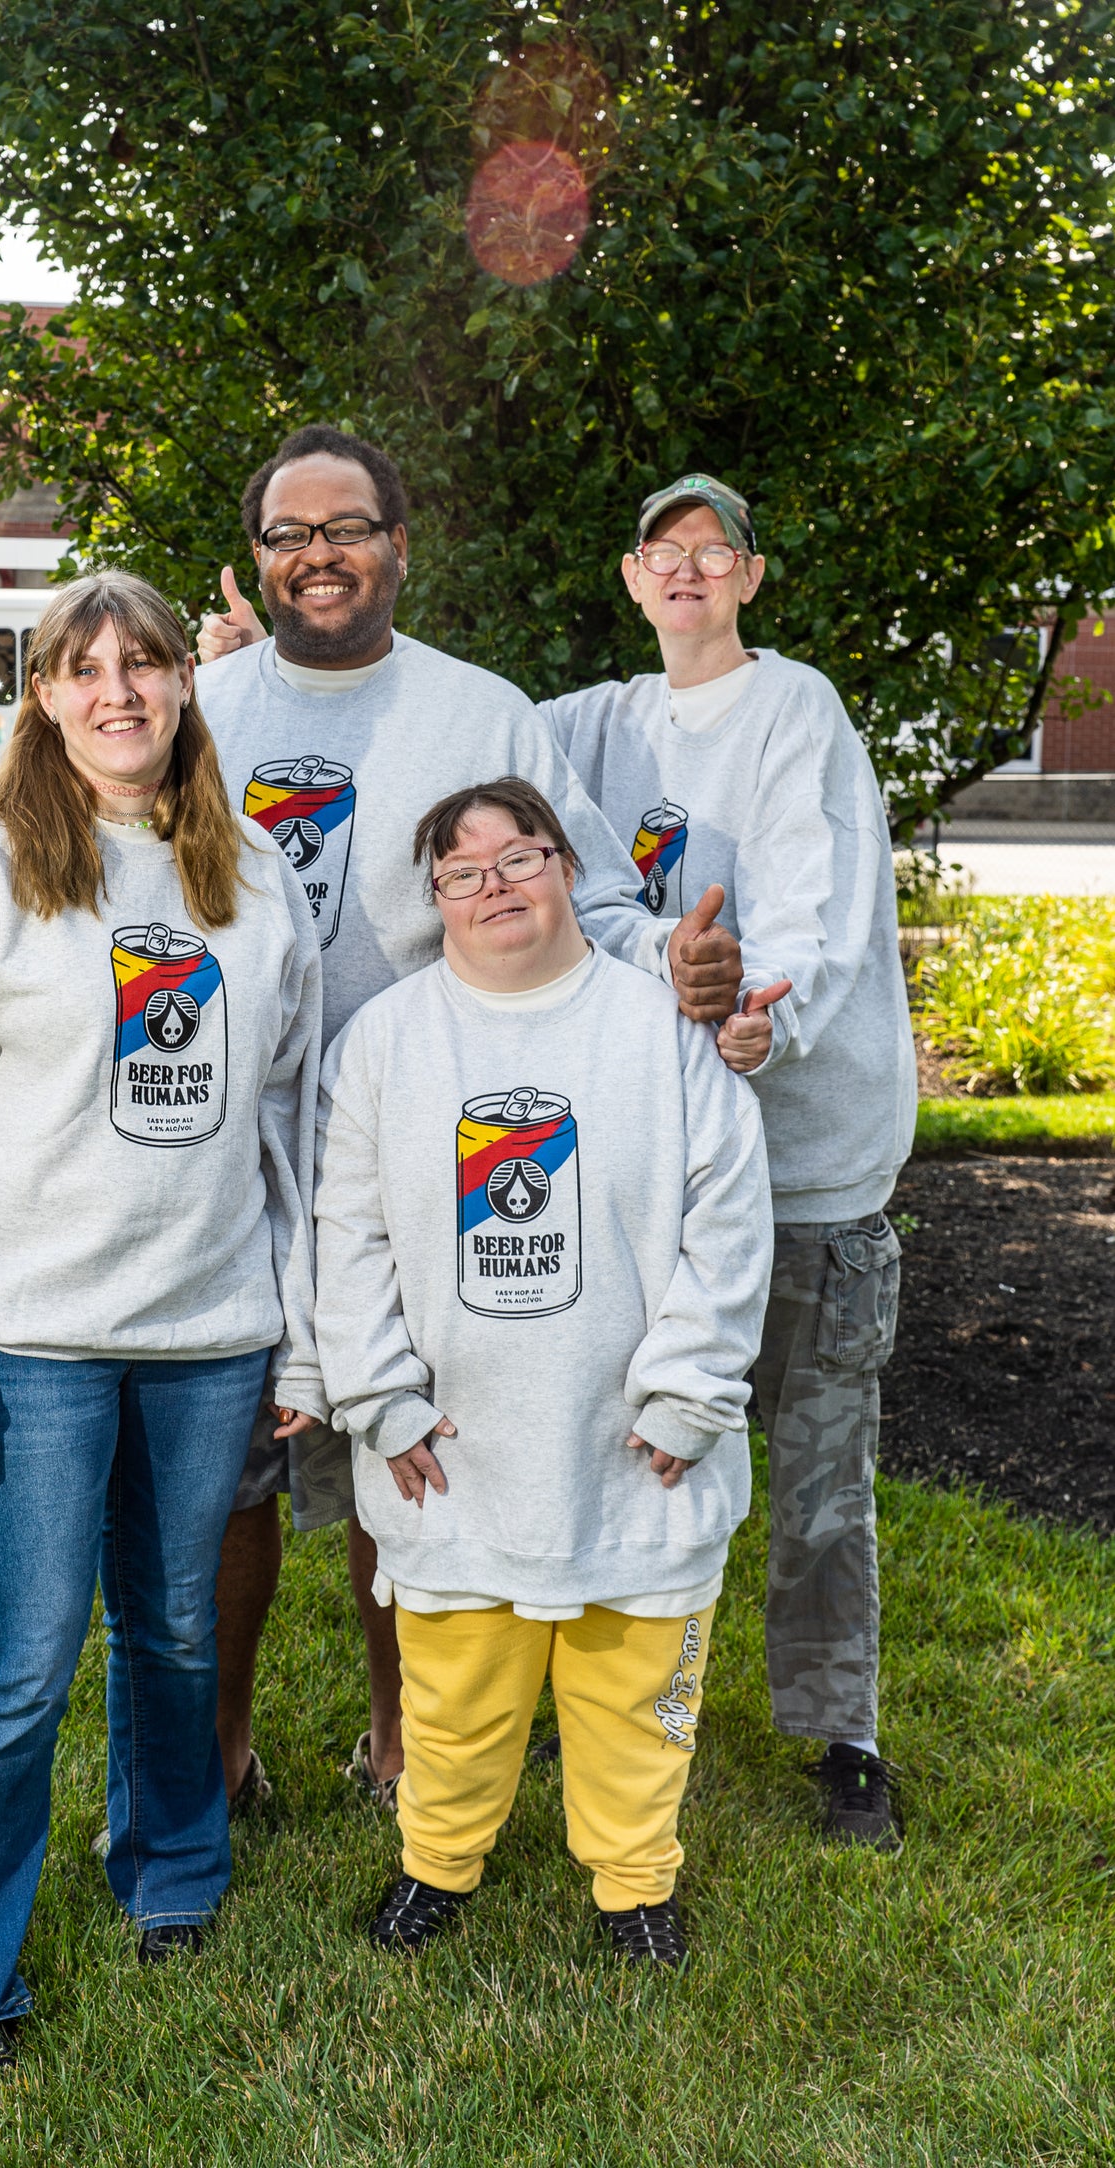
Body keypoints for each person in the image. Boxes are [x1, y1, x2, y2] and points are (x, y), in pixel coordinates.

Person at [0, 427, 747, 1817]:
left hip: (429, 1131)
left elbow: (586, 893)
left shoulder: (482, 710)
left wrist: (678, 965)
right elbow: (76, 816)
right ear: (258, 564)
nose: (319, 556)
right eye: (289, 536)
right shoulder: (203, 696)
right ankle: (219, 1752)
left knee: (394, 1445)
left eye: (346, 526)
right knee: (226, 1477)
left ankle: (401, 1738)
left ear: (400, 544)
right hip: (229, 1149)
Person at [0, 570, 324, 2077]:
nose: (120, 690)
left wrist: (299, 1332)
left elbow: (290, 1133)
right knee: (18, 1662)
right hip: (36, 1340)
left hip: (210, 1335)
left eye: (146, 664)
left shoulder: (250, 881)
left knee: (180, 1629)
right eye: (86, 669)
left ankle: (174, 1874)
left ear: (185, 688)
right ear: (45, 699)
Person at [314, 777, 772, 1962]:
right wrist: (377, 1398)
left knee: (634, 1691)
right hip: (459, 1447)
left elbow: (727, 1224)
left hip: (632, 1445)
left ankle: (635, 1885)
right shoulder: (384, 1042)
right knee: (453, 1694)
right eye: (461, 873)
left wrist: (689, 1392)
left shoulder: (659, 1029)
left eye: (517, 857)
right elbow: (347, 1234)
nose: (494, 887)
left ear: (567, 866)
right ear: (435, 902)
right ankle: (436, 1864)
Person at [539, 474, 917, 1850]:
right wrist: (234, 675)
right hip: (657, 1166)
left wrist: (755, 1015)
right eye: (663, 552)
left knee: (818, 1476)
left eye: (714, 551)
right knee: (638, 1446)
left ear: (749, 577)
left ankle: (841, 1739)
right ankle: (619, 1708)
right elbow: (478, 762)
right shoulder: (592, 722)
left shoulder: (793, 704)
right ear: (630, 578)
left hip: (807, 1162)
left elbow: (811, 905)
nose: (687, 570)